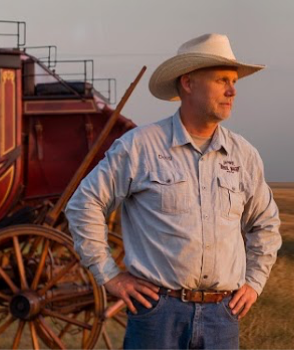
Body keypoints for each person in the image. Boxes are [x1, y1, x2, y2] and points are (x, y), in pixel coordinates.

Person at [66, 33, 282, 350]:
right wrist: (110, 276)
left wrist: (254, 282)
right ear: (188, 83)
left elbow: (266, 223)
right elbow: (83, 205)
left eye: (234, 82)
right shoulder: (140, 146)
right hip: (158, 313)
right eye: (222, 80)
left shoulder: (243, 155)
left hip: (223, 314)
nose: (232, 91)